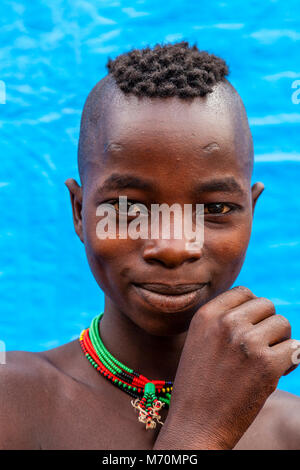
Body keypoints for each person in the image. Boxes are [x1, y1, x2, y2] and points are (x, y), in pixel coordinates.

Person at [1, 42, 300, 450]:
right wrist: (198, 433)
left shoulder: (290, 429)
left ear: (251, 213)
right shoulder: (10, 400)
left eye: (215, 208)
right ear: (78, 213)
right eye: (126, 208)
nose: (175, 247)